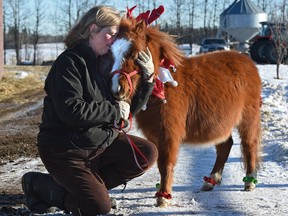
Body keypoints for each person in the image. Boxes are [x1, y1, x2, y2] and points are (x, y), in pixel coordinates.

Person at [21, 5, 158, 216]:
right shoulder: (69, 63)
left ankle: (91, 190)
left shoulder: (103, 63)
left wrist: (148, 79)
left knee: (146, 154)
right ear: (93, 29)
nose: (113, 41)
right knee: (97, 208)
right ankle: (40, 185)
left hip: (98, 143)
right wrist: (113, 110)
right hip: (66, 149)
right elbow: (71, 111)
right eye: (110, 34)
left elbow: (125, 112)